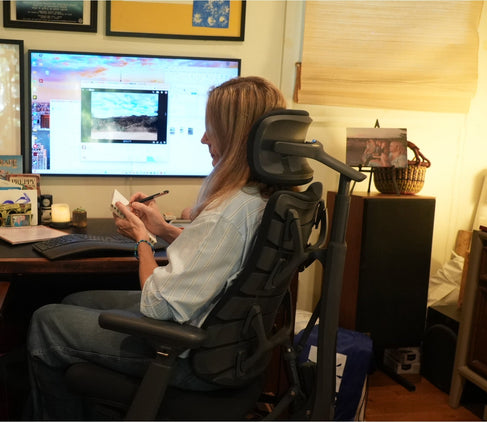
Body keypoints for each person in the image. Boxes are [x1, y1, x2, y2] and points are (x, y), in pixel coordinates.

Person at [26, 76, 290, 420]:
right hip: (228, 346)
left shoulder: (226, 213)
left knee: (45, 321)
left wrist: (142, 240)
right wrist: (162, 229)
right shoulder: (258, 199)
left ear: (236, 137)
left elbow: (156, 304)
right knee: (75, 301)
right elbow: (222, 255)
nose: (203, 139)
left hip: (190, 357)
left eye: (212, 130)